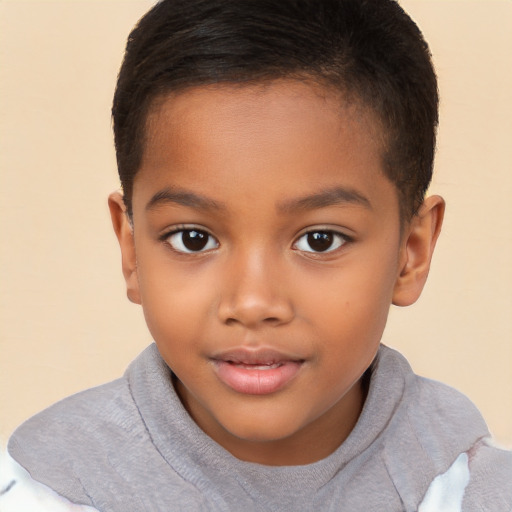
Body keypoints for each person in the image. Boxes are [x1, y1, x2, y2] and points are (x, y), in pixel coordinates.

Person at [6, 0, 511, 510]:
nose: (252, 302)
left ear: (411, 251)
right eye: (193, 239)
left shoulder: (473, 491)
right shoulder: (42, 492)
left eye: (320, 240)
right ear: (132, 248)